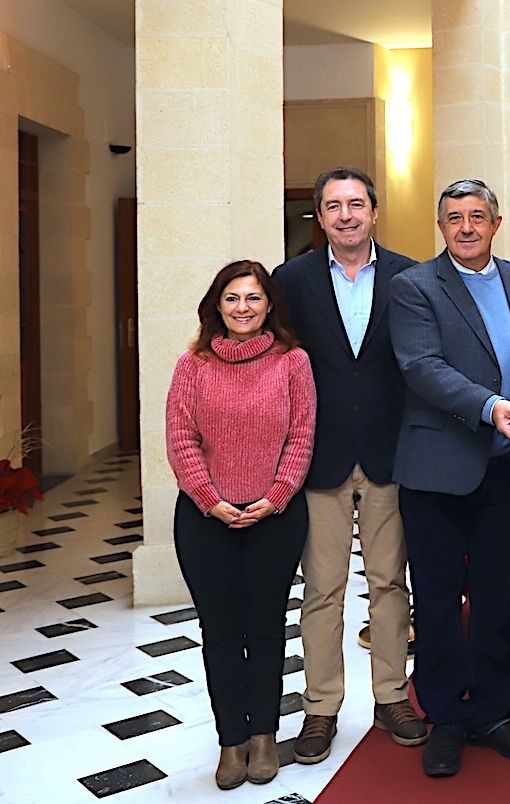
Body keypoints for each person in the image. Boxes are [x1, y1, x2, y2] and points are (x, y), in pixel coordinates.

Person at [389, 178, 510, 778]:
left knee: (496, 596)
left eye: (477, 216)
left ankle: (490, 712)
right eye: (454, 218)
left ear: (497, 222)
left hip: (507, 468)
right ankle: (445, 719)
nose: (466, 227)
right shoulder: (414, 288)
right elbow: (421, 366)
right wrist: (490, 406)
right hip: (436, 469)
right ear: (441, 226)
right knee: (434, 600)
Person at [273, 166, 426, 764]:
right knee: (322, 589)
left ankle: (391, 696)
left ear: (374, 211)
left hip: (391, 453)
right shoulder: (291, 280)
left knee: (390, 583)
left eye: (355, 204)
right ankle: (320, 708)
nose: (345, 215)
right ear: (320, 215)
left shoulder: (411, 276)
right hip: (320, 455)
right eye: (332, 206)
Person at [165, 260, 316, 790]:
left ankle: (264, 738)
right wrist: (212, 501)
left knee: (267, 627)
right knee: (222, 633)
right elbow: (181, 441)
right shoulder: (194, 365)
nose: (243, 308)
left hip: (275, 518)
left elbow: (301, 437)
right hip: (206, 520)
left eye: (253, 298)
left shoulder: (292, 362)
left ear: (269, 304)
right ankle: (231, 741)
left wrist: (274, 498)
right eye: (232, 298)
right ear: (217, 306)